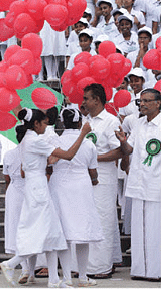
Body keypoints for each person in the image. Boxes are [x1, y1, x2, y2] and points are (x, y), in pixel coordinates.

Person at [0, 108, 92, 288]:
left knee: (53, 234)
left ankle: (54, 280)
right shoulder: (35, 140)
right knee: (42, 234)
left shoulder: (29, 140)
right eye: (44, 123)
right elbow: (69, 155)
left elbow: (46, 160)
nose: (46, 126)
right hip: (38, 190)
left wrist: (51, 159)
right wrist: (82, 134)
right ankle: (11, 263)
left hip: (36, 187)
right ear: (36, 124)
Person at [49, 108, 103, 287]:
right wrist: (94, 180)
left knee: (63, 232)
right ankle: (82, 276)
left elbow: (48, 166)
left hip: (59, 186)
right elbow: (93, 170)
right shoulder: (88, 144)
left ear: (62, 122)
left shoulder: (54, 140)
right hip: (81, 186)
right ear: (80, 123)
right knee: (82, 233)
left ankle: (67, 277)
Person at [115, 89, 161, 282]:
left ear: (158, 103)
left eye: (147, 101)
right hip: (138, 183)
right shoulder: (138, 124)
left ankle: (157, 270)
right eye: (140, 101)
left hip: (157, 182)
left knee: (156, 228)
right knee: (139, 229)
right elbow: (129, 149)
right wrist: (123, 141)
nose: (142, 104)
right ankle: (140, 269)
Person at [81, 83, 123, 279]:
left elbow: (118, 150)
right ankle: (103, 261)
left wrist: (93, 158)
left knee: (103, 220)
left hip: (104, 178)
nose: (83, 102)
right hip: (86, 179)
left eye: (86, 99)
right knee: (92, 219)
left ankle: (101, 267)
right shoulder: (86, 121)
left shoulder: (110, 121)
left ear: (96, 100)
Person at [2, 125, 34, 285]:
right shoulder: (32, 153)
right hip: (28, 190)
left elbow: (7, 179)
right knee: (30, 229)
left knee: (18, 229)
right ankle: (27, 269)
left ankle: (26, 268)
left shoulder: (9, 154)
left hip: (15, 191)